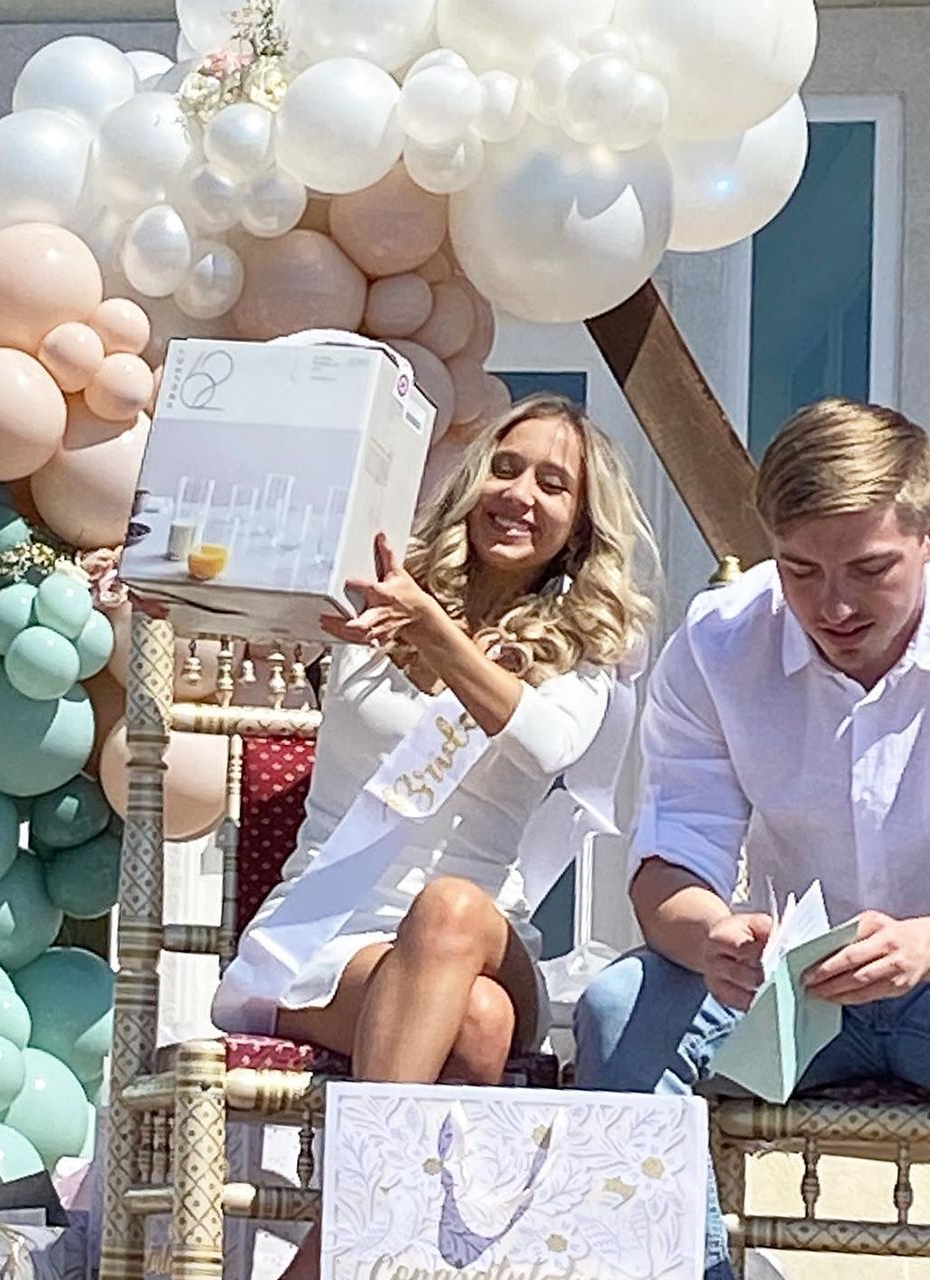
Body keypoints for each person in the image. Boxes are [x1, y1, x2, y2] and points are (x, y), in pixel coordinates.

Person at [574, 397, 930, 1279]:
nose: (835, 604)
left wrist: (927, 948)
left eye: (869, 568)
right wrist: (713, 934)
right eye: (799, 570)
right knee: (616, 1007)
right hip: (794, 1001)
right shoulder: (718, 640)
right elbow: (669, 864)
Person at [209, 394, 657, 1280]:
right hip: (326, 939)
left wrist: (433, 630)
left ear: (579, 527)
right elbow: (240, 584)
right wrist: (154, 563)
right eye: (505, 465)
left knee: (452, 913)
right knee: (475, 1028)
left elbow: (539, 740)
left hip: (490, 941)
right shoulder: (373, 594)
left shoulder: (587, 657)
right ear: (471, 479)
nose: (520, 493)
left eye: (553, 483)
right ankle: (398, 1256)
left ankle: (339, 1237)